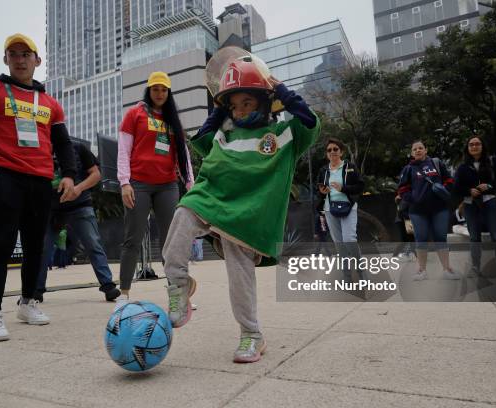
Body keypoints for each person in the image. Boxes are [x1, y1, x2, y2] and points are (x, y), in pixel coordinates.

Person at [161, 57, 321, 363]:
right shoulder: (223, 135)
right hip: (213, 198)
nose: (240, 110)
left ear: (265, 102)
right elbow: (202, 137)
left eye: (247, 102)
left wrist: (283, 92)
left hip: (249, 215)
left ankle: (252, 335)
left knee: (239, 273)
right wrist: (221, 106)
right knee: (183, 213)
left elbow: (310, 120)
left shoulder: (287, 134)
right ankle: (179, 286)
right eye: (234, 106)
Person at [0, 33, 76, 342]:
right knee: (1, 244)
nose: (20, 59)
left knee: (36, 246)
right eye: (14, 54)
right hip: (4, 176)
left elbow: (63, 144)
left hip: (40, 181)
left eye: (26, 54)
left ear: (37, 60)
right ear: (6, 59)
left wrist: (70, 174)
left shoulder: (50, 104)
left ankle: (28, 302)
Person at [117, 71, 193, 301]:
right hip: (138, 184)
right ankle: (124, 293)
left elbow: (183, 154)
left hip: (167, 185)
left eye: (163, 89)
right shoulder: (134, 114)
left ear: (169, 93)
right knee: (133, 239)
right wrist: (124, 183)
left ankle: (177, 294)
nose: (159, 93)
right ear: (148, 90)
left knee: (171, 242)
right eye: (155, 89)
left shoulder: (173, 120)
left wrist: (190, 183)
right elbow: (123, 150)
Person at [36, 142, 120, 302]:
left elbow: (96, 174)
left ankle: (108, 286)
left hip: (80, 204)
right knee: (42, 248)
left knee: (93, 244)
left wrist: (78, 188)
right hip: (50, 207)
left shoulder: (78, 148)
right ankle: (35, 290)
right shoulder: (39, 149)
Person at [454, 136, 496, 278]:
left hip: (490, 202)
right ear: (467, 148)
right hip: (470, 205)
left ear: (482, 146)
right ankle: (475, 268)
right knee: (474, 237)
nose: (474, 147)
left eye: (477, 144)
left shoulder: (494, 161)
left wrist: (490, 186)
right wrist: (469, 191)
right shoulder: (462, 167)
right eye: (471, 145)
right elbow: (456, 188)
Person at [398, 140, 458, 280]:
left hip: (439, 208)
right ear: (412, 153)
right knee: (421, 239)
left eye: (420, 148)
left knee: (441, 238)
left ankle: (446, 270)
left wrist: (444, 192)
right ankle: (421, 271)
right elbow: (402, 189)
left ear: (426, 150)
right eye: (415, 149)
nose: (418, 150)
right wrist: (413, 198)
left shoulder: (436, 163)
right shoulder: (408, 169)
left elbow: (449, 180)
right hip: (417, 211)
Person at [317, 138, 365, 284]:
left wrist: (343, 188)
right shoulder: (323, 170)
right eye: (329, 150)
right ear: (327, 154)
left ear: (341, 152)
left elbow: (360, 186)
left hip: (348, 207)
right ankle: (347, 276)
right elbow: (318, 190)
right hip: (330, 209)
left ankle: (360, 271)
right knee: (339, 243)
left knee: (349, 239)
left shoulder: (349, 167)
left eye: (335, 149)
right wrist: (322, 192)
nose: (332, 152)